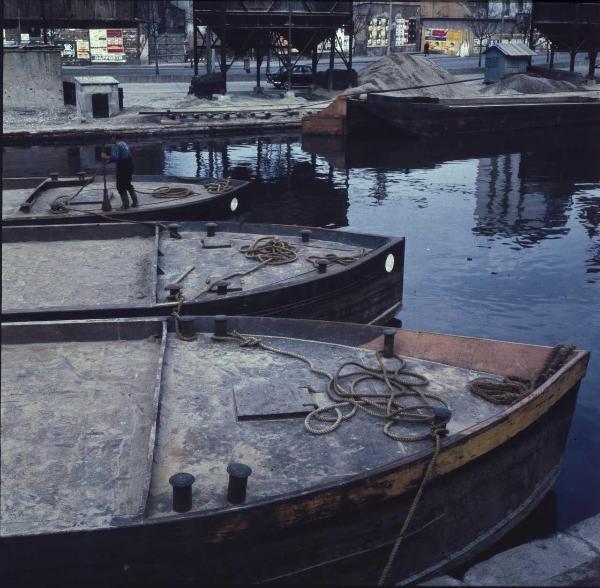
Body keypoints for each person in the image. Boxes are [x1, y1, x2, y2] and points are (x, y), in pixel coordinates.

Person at [101, 133, 138, 210]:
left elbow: (114, 158)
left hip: (123, 167)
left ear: (115, 138)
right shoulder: (124, 143)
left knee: (120, 186)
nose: (111, 140)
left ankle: (125, 205)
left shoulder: (117, 145)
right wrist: (108, 161)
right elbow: (122, 156)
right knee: (128, 184)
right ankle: (135, 202)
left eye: (112, 138)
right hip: (129, 166)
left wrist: (105, 157)